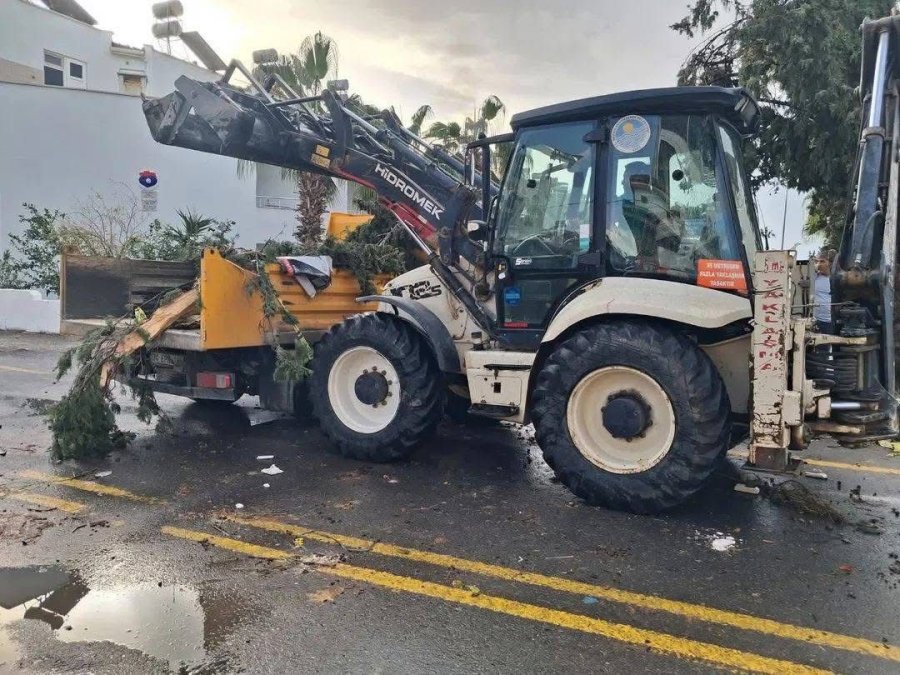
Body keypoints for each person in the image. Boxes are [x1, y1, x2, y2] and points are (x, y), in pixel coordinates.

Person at [811, 254, 834, 334]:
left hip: (830, 320)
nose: (819, 264)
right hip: (815, 320)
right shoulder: (814, 277)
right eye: (817, 261)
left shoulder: (835, 279)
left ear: (830, 263)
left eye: (822, 261)